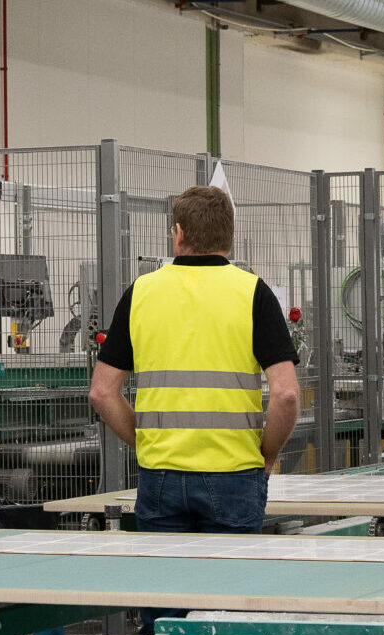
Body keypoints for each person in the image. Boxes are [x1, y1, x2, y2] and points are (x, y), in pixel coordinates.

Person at [87, 185, 300, 535]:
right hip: (234, 474)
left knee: (168, 571)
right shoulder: (253, 293)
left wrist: (146, 443)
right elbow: (287, 394)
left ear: (179, 233)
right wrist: (268, 453)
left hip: (160, 477)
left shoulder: (140, 293)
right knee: (230, 571)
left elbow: (101, 392)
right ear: (230, 235)